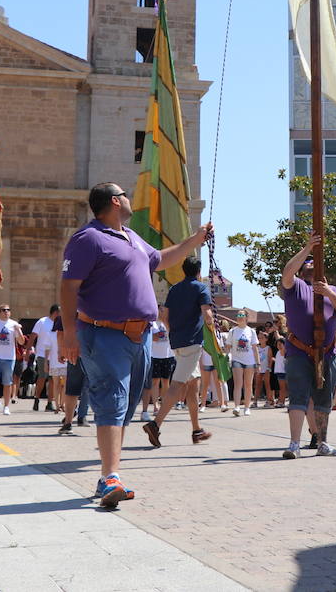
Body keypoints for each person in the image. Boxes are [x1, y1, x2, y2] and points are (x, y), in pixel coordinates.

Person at [58, 182, 212, 509]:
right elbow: (69, 287)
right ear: (115, 201)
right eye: (125, 194)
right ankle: (110, 476)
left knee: (127, 404)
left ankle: (109, 475)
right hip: (103, 334)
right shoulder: (88, 238)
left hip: (139, 337)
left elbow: (162, 259)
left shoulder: (131, 237)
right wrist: (69, 332)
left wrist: (194, 240)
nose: (129, 198)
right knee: (112, 399)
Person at [278, 235, 336, 459]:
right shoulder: (295, 287)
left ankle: (323, 442)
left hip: (326, 353)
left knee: (323, 400)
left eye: (314, 264)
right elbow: (287, 273)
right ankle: (294, 444)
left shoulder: (332, 289)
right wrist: (307, 248)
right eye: (307, 265)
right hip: (299, 351)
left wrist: (328, 292)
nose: (310, 268)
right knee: (298, 397)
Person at [143, 255, 217, 446]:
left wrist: (172, 332)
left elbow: (165, 316)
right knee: (177, 385)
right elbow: (208, 316)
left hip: (176, 342)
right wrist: (213, 329)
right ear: (199, 272)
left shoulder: (174, 289)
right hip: (192, 342)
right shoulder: (201, 288)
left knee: (193, 384)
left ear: (183, 270)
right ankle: (155, 424)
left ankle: (196, 430)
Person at [0, 302, 24, 416]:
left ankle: (6, 406)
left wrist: (18, 330)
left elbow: (21, 341)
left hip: (9, 358)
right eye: (3, 310)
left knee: (7, 383)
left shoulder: (14, 324)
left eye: (8, 310)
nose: (6, 312)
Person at [227, 311, 259, 416]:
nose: (240, 317)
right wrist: (226, 358)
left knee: (248, 384)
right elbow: (228, 347)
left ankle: (247, 407)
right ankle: (236, 406)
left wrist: (257, 363)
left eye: (242, 315)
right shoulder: (232, 331)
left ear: (246, 318)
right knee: (238, 384)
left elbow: (255, 348)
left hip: (250, 361)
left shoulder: (251, 331)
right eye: (238, 315)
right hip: (237, 360)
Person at [30, 304, 60, 411]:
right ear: (55, 312)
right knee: (42, 377)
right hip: (42, 354)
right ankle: (37, 398)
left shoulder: (59, 323)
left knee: (53, 379)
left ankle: (50, 402)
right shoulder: (42, 322)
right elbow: (33, 335)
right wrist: (28, 349)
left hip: (54, 356)